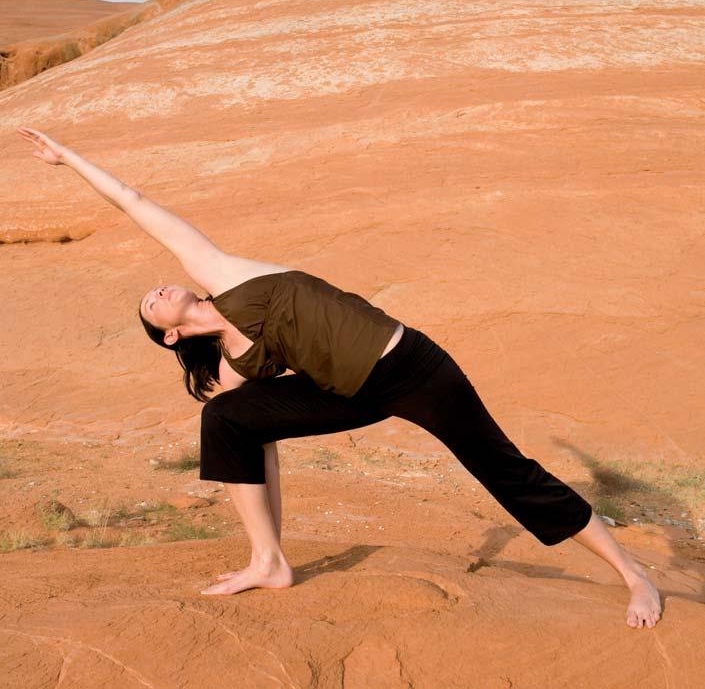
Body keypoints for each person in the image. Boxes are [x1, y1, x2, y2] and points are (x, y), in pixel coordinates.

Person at [16, 126, 662, 629]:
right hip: (352, 394)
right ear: (171, 335)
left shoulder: (223, 273)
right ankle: (268, 560)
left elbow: (134, 202)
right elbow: (247, 428)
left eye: (155, 290)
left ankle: (632, 575)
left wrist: (68, 159)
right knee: (228, 419)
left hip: (414, 368)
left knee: (503, 470)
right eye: (151, 306)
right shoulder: (240, 363)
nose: (156, 290)